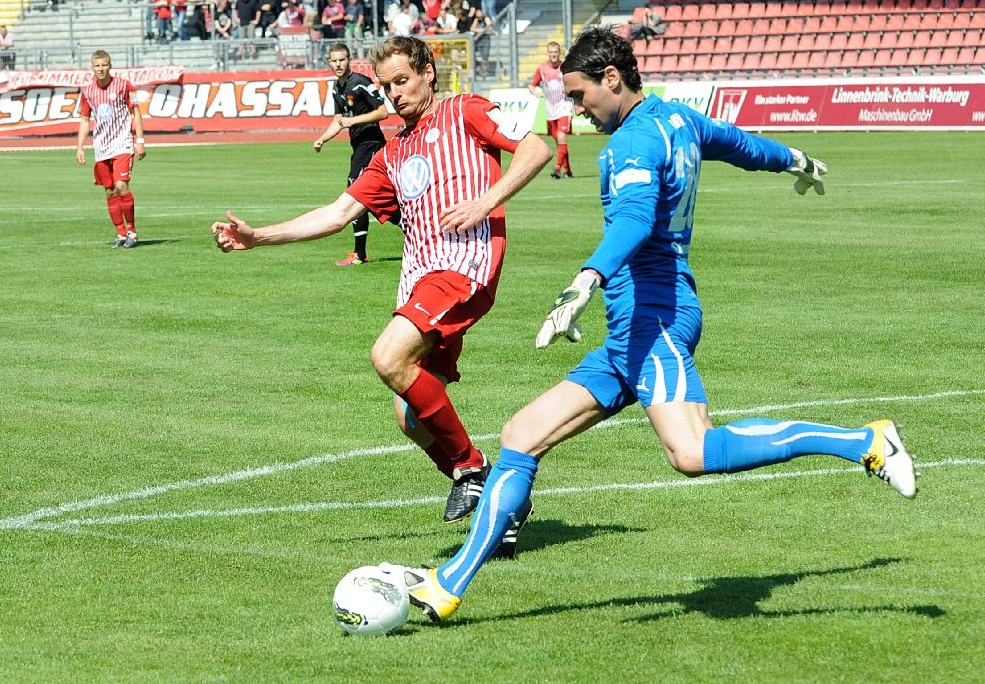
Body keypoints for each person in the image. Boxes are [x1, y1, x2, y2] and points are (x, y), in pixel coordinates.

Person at [386, 25, 918, 623]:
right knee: (520, 436)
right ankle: (448, 585)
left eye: (581, 95)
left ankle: (864, 441)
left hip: (653, 318)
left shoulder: (630, 145)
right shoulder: (679, 119)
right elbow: (742, 145)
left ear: (612, 78)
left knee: (691, 451)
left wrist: (584, 282)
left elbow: (635, 222)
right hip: (632, 328)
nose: (578, 111)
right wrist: (797, 159)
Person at [212, 36, 552, 533]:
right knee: (410, 416)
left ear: (428, 73)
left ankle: (471, 467)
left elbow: (536, 148)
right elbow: (336, 214)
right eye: (387, 86)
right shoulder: (392, 155)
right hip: (419, 279)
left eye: (402, 81)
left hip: (463, 265)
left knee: (388, 357)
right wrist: (259, 236)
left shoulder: (466, 110)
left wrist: (485, 201)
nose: (395, 93)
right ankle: (503, 502)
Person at [313, 42, 391, 266]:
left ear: (349, 60)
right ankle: (407, 227)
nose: (338, 64)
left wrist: (353, 121)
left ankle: (360, 254)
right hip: (359, 147)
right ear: (329, 62)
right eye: (334, 60)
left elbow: (383, 112)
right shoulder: (337, 88)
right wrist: (323, 139)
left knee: (355, 191)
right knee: (378, 198)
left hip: (372, 143)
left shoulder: (361, 83)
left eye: (342, 60)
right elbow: (338, 121)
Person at [76, 49, 147, 249]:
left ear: (110, 66)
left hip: (122, 142)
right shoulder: (87, 91)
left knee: (121, 185)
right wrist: (80, 147)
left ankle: (132, 231)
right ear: (92, 67)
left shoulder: (124, 85)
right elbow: (84, 120)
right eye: (97, 66)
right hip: (101, 146)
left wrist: (140, 140)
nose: (101, 69)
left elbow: (135, 112)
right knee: (109, 191)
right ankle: (120, 233)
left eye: (104, 65)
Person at [528, 41, 574, 179]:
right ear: (548, 53)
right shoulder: (542, 68)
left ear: (559, 52)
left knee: (561, 136)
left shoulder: (565, 67)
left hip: (565, 106)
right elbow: (532, 85)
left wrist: (569, 89)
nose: (554, 55)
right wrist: (536, 92)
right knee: (559, 142)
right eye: (551, 52)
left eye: (556, 52)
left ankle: (557, 169)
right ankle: (568, 170)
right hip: (550, 109)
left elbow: (574, 82)